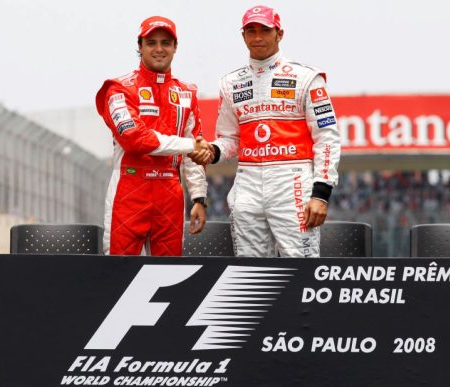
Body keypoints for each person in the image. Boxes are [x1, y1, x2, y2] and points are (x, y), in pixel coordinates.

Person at [198, 5, 341, 257]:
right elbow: (230, 138)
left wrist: (321, 193)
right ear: (243, 36)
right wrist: (214, 151)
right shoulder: (231, 83)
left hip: (293, 182)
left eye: (264, 30)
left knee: (300, 266)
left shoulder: (306, 78)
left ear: (279, 34)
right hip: (248, 182)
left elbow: (327, 137)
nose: (257, 37)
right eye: (250, 31)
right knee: (250, 270)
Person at [96, 15, 213, 256]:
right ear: (140, 47)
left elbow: (195, 153)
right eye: (151, 43)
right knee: (119, 271)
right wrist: (188, 145)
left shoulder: (187, 94)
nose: (159, 49)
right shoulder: (119, 88)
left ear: (175, 47)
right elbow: (134, 138)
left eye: (165, 43)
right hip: (129, 190)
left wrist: (199, 198)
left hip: (170, 191)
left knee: (168, 273)